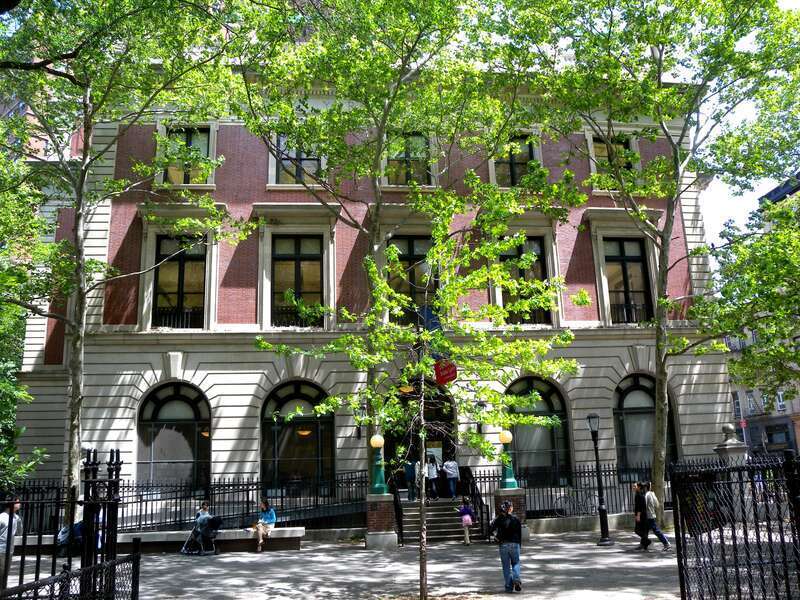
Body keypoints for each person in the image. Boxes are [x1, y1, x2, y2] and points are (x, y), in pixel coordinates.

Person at [489, 500, 522, 593]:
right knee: (516, 563)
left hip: (503, 544)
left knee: (506, 566)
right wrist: (519, 544)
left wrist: (496, 537)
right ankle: (516, 579)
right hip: (515, 544)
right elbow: (519, 533)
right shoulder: (515, 519)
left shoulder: (499, 519)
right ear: (511, 508)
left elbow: (490, 529)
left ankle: (508, 586)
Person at [0, 497, 22, 587]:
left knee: (5, 574)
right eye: (18, 502)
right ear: (12, 504)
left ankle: (3, 593)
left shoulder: (16, 518)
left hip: (10, 550)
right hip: (0, 550)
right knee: (0, 574)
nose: (20, 504)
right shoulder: (1, 517)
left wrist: (19, 521)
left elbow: (19, 533)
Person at [644, 482, 671, 551]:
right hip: (652, 514)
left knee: (656, 530)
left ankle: (666, 543)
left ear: (645, 488)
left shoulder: (646, 495)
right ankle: (644, 544)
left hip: (648, 515)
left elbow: (644, 505)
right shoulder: (652, 494)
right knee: (645, 530)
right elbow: (657, 505)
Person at [633, 482, 650, 551]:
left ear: (639, 487)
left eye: (634, 486)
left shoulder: (639, 495)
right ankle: (644, 545)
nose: (633, 488)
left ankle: (647, 541)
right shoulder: (641, 494)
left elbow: (640, 507)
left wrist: (638, 515)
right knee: (644, 530)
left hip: (641, 515)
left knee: (637, 530)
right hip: (643, 515)